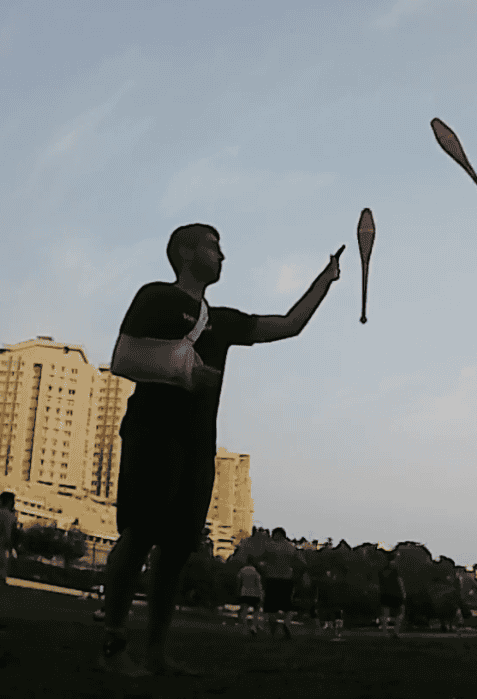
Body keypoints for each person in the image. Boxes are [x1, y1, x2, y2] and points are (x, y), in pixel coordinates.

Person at [97, 225, 341, 676]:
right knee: (138, 537)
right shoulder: (157, 297)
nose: (223, 254)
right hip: (153, 432)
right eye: (213, 245)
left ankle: (155, 652)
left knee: (174, 551)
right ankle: (113, 645)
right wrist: (182, 370)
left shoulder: (222, 320)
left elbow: (289, 325)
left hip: (196, 444)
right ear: (185, 253)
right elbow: (124, 359)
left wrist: (325, 279)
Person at [260, 528, 301, 640]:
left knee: (270, 607)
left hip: (272, 578)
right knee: (287, 606)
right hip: (287, 579)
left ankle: (273, 632)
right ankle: (286, 624)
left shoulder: (269, 546)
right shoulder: (290, 547)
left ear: (277, 535)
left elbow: (260, 559)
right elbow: (301, 561)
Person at [378, 551, 406, 639]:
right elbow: (399, 581)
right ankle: (396, 632)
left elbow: (380, 582)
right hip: (396, 593)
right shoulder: (395, 569)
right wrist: (403, 592)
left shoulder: (382, 570)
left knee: (385, 614)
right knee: (401, 612)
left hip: (384, 593)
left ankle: (385, 633)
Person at [236, 559, 263, 635]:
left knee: (244, 611)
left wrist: (238, 590)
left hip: (244, 592)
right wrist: (261, 595)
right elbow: (258, 584)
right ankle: (253, 626)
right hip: (255, 594)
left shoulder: (242, 570)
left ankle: (244, 627)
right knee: (256, 610)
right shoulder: (255, 572)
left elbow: (238, 580)